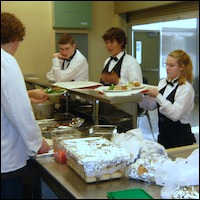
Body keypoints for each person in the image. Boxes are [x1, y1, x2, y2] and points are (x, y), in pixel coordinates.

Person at [1, 12, 50, 199]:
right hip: (6, 161)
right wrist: (39, 143)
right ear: (14, 37)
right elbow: (18, 111)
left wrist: (27, 94)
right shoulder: (6, 61)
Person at [139, 49, 196, 149]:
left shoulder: (186, 88)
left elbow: (175, 115)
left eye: (171, 65)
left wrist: (158, 95)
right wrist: (138, 96)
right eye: (166, 65)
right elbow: (152, 105)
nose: (167, 69)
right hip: (163, 136)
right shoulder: (163, 83)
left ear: (182, 67)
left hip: (180, 138)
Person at [99, 27, 143, 132]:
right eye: (107, 42)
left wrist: (118, 81)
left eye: (112, 42)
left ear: (121, 42)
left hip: (124, 113)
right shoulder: (107, 61)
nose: (108, 46)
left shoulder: (131, 62)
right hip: (106, 110)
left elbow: (138, 88)